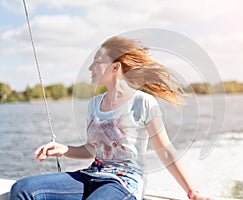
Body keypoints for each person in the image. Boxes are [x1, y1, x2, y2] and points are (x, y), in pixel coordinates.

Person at [9, 36, 210, 200]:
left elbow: (165, 151)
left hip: (124, 182)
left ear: (115, 67)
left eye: (96, 62)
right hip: (91, 175)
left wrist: (192, 192)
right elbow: (92, 149)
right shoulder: (94, 104)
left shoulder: (143, 102)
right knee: (22, 189)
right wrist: (64, 149)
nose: (90, 68)